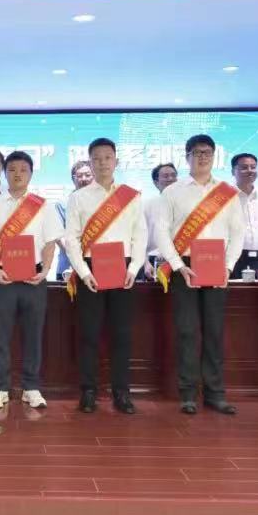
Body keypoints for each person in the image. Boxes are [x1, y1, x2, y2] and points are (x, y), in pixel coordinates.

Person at [156, 134, 245, 416]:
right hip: (184, 267)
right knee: (187, 332)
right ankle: (188, 394)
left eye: (207, 152)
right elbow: (161, 231)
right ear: (187, 157)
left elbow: (237, 233)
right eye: (197, 152)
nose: (202, 157)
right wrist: (177, 265)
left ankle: (215, 394)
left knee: (214, 332)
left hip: (217, 266)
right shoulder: (172, 192)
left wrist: (228, 267)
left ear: (214, 156)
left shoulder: (228, 193)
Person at [63, 138, 148, 414]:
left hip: (124, 270)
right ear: (90, 162)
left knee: (121, 334)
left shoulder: (131, 196)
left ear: (116, 161)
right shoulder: (78, 197)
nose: (102, 163)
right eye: (96, 158)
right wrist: (83, 272)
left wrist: (134, 268)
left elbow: (140, 235)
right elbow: (72, 239)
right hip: (90, 269)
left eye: (107, 157)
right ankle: (88, 391)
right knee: (89, 333)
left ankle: (121, 392)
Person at [0, 151, 63, 409]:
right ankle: (0, 387)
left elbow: (50, 242)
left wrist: (46, 270)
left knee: (33, 335)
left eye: (23, 170)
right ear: (5, 173)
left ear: (31, 174)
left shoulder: (42, 206)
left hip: (34, 277)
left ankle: (31, 387)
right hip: (2, 278)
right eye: (12, 170)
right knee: (0, 335)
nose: (17, 174)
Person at [231, 153, 258, 278]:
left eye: (253, 167)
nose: (250, 170)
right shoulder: (225, 198)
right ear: (233, 171)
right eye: (244, 167)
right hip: (234, 260)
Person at [55, 160, 93, 280]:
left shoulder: (103, 202)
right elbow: (58, 235)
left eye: (88, 175)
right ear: (73, 179)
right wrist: (76, 256)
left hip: (96, 265)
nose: (84, 179)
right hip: (68, 266)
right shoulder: (62, 203)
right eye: (79, 176)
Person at [142, 162, 178, 280]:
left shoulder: (187, 205)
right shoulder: (146, 205)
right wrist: (145, 263)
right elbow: (139, 239)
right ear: (156, 182)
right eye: (166, 176)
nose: (171, 179)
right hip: (154, 261)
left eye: (173, 175)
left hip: (181, 261)